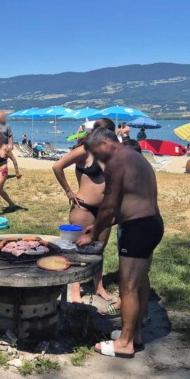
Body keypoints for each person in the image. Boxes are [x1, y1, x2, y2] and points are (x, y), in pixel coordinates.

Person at [76, 128, 164, 358]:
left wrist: (94, 234)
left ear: (106, 143)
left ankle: (124, 343)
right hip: (151, 224)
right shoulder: (136, 157)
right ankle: (135, 334)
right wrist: (100, 226)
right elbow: (133, 199)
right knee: (140, 281)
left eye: (97, 152)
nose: (98, 159)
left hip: (138, 229)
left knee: (128, 286)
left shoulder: (116, 161)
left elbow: (109, 205)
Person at [52, 118, 117, 303]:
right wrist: (69, 191)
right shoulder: (85, 150)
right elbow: (57, 166)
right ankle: (75, 290)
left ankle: (99, 287)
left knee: (98, 250)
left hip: (104, 210)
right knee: (79, 249)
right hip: (84, 208)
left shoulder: (109, 153)